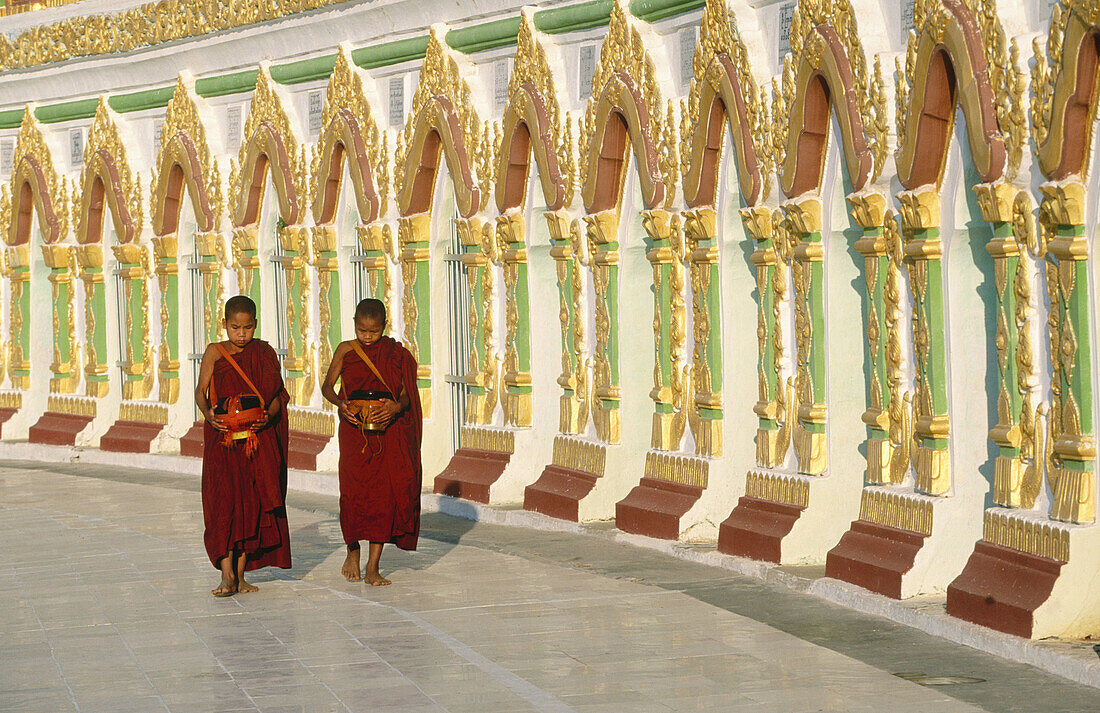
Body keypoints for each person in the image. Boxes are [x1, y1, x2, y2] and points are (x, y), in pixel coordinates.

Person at [321, 298, 422, 585]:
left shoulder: (395, 354)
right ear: (354, 324)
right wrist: (341, 404)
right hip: (355, 432)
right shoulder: (346, 349)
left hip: (387, 432)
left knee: (384, 498)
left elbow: (405, 394)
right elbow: (327, 386)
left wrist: (395, 408)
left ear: (384, 327)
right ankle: (352, 548)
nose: (367, 337)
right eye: (362, 331)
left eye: (374, 332)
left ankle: (373, 565)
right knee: (352, 494)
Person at [196, 295, 292, 597]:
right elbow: (201, 391)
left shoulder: (263, 353)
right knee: (223, 505)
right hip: (222, 441)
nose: (241, 335)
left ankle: (240, 575)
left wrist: (268, 417)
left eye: (247, 328)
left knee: (250, 505)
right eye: (235, 328)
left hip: (255, 441)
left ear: (255, 325)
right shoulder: (215, 352)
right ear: (224, 324)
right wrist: (209, 416)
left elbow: (277, 395)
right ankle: (226, 575)